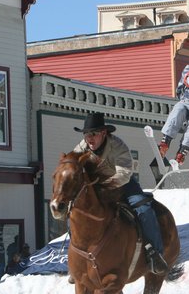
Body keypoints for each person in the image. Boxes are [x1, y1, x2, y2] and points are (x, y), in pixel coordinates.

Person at [73, 112, 168, 274]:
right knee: (75, 214)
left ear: (103, 133)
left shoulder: (118, 146)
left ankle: (155, 254)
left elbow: (124, 173)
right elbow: (73, 167)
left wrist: (105, 185)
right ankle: (77, 259)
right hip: (97, 187)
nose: (89, 138)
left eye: (93, 134)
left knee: (144, 209)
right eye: (86, 134)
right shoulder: (81, 148)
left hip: (123, 184)